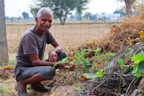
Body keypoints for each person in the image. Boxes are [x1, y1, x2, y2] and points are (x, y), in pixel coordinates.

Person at [14, 7, 70, 96]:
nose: (47, 24)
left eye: (50, 21)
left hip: (35, 68)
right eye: (44, 20)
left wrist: (53, 51)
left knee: (62, 54)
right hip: (23, 70)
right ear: (36, 20)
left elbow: (59, 46)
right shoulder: (29, 36)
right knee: (49, 71)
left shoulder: (46, 32)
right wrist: (58, 64)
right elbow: (35, 62)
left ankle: (35, 84)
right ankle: (22, 83)